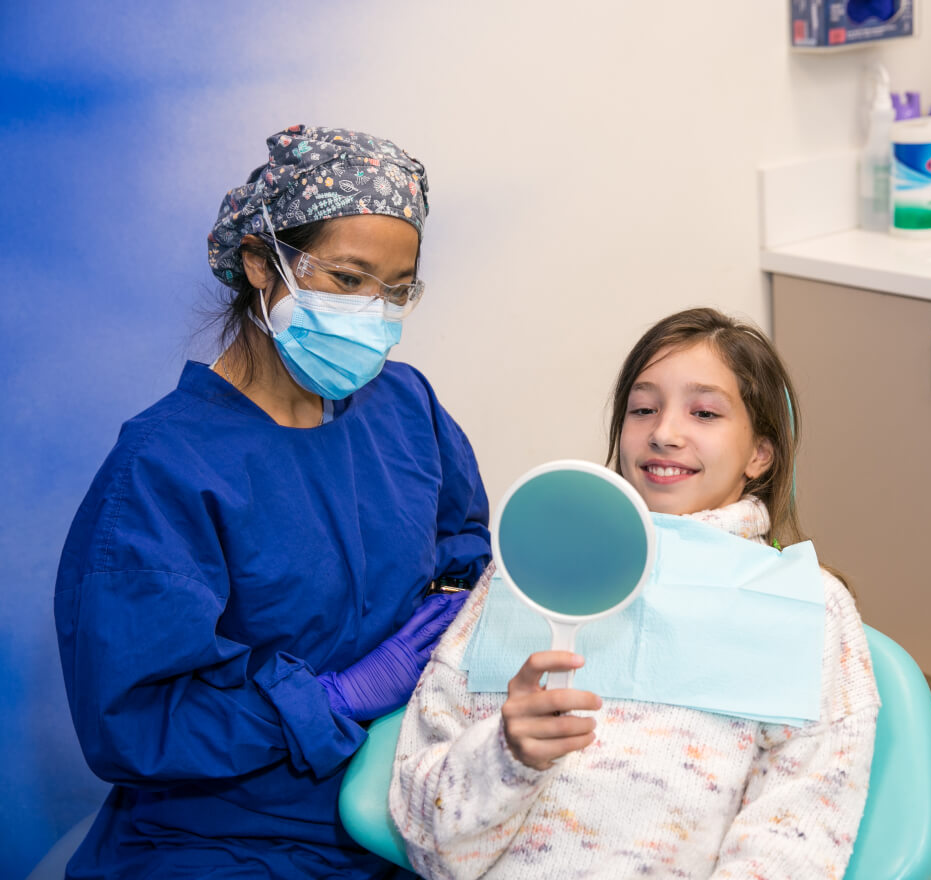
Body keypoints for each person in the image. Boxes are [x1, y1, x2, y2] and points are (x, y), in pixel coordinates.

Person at [54, 124, 491, 880]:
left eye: (396, 289)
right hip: (224, 838)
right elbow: (136, 720)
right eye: (349, 280)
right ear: (261, 263)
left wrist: (457, 621)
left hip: (404, 801)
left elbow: (461, 549)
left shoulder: (403, 405)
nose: (375, 313)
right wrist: (336, 697)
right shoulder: (165, 468)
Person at [390, 307, 879, 879]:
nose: (664, 433)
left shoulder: (807, 609)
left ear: (759, 454)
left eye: (704, 412)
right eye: (642, 409)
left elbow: (800, 829)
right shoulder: (523, 575)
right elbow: (427, 839)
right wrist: (505, 755)